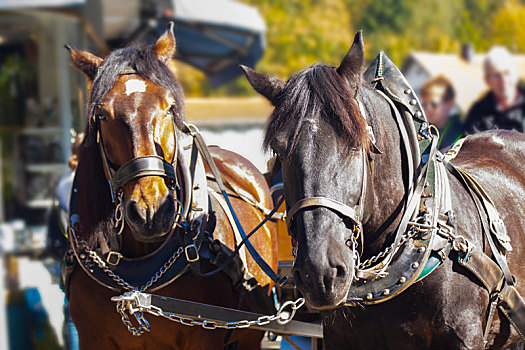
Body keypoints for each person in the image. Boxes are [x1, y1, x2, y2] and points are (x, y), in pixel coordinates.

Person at [464, 46, 525, 134]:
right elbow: (468, 144)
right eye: (497, 75)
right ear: (487, 80)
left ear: (515, 74)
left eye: (507, 73)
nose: (503, 80)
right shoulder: (477, 114)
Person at [420, 75, 464, 149]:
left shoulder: (461, 133)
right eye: (424, 105)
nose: (427, 109)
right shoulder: (422, 127)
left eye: (434, 105)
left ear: (449, 104)